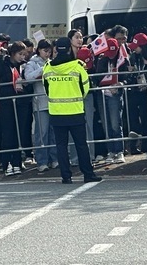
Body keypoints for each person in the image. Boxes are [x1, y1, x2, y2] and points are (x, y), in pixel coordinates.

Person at [42, 37, 102, 184]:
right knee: (81, 145)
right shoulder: (78, 67)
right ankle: (88, 174)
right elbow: (85, 88)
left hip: (56, 113)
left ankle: (66, 176)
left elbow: (47, 90)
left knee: (61, 146)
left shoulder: (48, 68)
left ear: (56, 50)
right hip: (75, 112)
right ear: (69, 49)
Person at [0, 41, 30, 176]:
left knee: (19, 132)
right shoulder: (4, 63)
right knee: (7, 133)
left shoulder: (23, 66)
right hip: (6, 102)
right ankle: (6, 163)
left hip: (20, 102)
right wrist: (0, 55)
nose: (22, 57)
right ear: (12, 53)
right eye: (20, 54)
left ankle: (17, 162)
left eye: (24, 54)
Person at [23, 39, 57, 172]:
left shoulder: (51, 63)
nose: (47, 54)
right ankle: (42, 160)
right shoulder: (32, 63)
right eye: (45, 51)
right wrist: (42, 70)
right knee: (41, 133)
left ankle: (54, 158)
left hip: (52, 101)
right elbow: (28, 78)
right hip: (40, 102)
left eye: (49, 51)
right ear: (39, 50)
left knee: (53, 132)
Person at [125, 33, 147, 159]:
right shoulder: (133, 57)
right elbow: (128, 76)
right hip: (136, 91)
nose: (134, 49)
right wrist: (130, 71)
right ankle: (135, 138)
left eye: (137, 46)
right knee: (133, 115)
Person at [95, 37, 126, 164]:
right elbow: (97, 78)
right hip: (103, 94)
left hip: (115, 95)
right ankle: (110, 151)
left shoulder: (122, 60)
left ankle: (119, 151)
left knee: (115, 123)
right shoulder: (102, 60)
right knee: (106, 124)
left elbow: (127, 77)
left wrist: (121, 84)